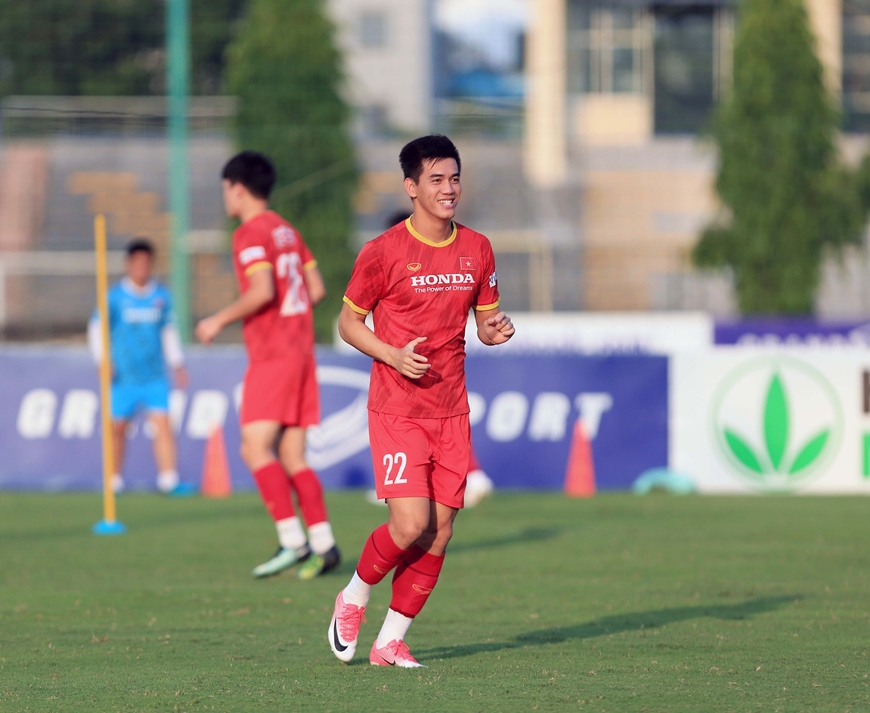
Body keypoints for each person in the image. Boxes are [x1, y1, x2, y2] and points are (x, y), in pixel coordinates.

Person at [328, 134, 514, 667]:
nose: (449, 188)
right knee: (409, 525)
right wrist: (390, 354)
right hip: (396, 407)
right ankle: (354, 597)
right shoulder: (383, 252)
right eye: (436, 180)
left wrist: (495, 330)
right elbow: (347, 322)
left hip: (451, 409)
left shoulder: (477, 248)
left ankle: (390, 642)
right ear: (411, 187)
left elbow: (484, 320)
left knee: (439, 533)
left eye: (454, 178)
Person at [195, 150, 340, 580]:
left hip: (273, 356)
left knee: (254, 447)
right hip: (301, 352)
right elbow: (314, 289)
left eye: (226, 189)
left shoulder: (250, 233)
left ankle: (292, 541)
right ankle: (324, 543)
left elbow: (261, 290)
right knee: (293, 455)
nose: (226, 197)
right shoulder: (287, 231)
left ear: (237, 188)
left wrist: (217, 319)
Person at [88, 238, 194, 496]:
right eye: (137, 262)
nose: (142, 267)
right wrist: (103, 360)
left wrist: (177, 364)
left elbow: (169, 331)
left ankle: (168, 479)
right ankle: (113, 480)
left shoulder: (161, 296)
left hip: (154, 375)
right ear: (128, 264)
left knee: (163, 425)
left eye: (147, 262)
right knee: (117, 429)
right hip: (122, 377)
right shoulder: (114, 297)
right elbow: (96, 329)